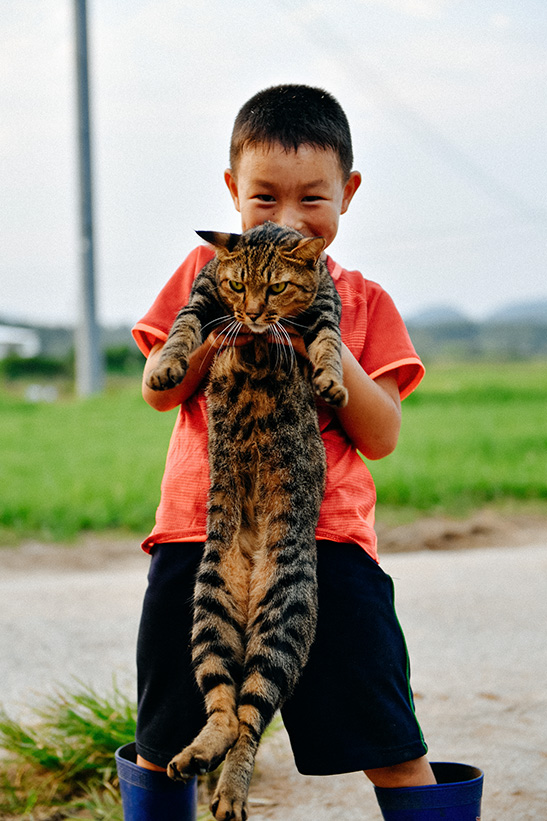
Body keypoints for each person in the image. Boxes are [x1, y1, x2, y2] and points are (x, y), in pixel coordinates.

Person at [115, 85, 483, 821]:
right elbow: (162, 392)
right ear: (231, 191)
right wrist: (224, 321)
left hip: (328, 535)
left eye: (312, 200)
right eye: (263, 199)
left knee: (388, 737)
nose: (286, 219)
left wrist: (317, 328)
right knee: (165, 736)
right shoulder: (205, 270)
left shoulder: (365, 298)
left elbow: (379, 434)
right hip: (200, 528)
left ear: (347, 194)